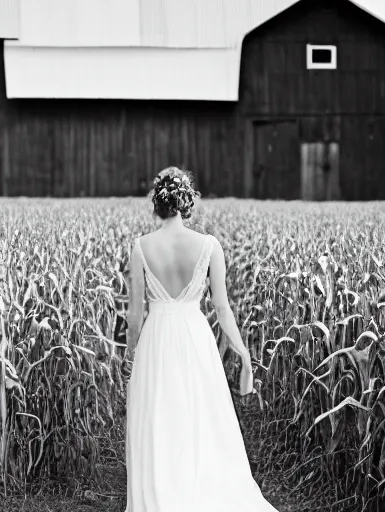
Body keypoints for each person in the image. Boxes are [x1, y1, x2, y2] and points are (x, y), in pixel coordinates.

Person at [123, 167, 277, 511]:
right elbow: (222, 309)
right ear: (186, 202)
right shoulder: (209, 246)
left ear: (157, 204)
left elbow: (134, 317)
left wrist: (129, 357)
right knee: (199, 416)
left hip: (156, 339)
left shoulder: (140, 247)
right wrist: (243, 354)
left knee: (158, 419)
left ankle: (163, 496)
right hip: (195, 336)